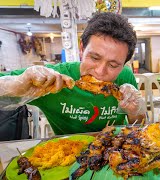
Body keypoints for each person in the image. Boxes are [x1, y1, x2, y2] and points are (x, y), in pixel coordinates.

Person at [0, 12, 146, 135]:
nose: (100, 72)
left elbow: (139, 124)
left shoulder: (125, 76)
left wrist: (135, 110)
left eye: (113, 65)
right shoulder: (52, 79)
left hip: (114, 154)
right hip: (69, 156)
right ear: (82, 49)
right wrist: (18, 85)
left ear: (124, 64)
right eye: (94, 58)